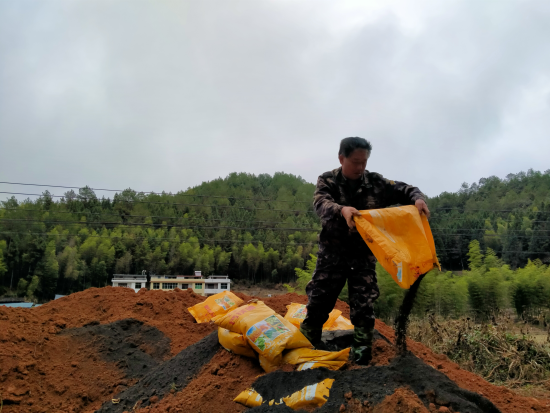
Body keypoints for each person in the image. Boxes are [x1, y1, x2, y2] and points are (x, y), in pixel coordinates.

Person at [299, 137, 430, 365]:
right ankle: (305, 345)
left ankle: (361, 355)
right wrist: (342, 211)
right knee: (319, 299)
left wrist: (417, 199)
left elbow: (406, 189)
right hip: (333, 255)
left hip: (363, 256)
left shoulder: (376, 183)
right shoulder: (327, 180)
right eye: (355, 162)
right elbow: (321, 203)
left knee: (364, 303)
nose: (360, 167)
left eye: (364, 162)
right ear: (342, 158)